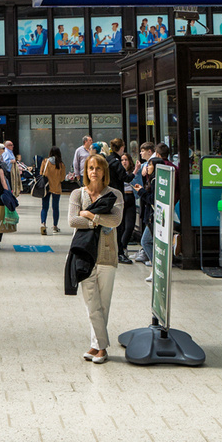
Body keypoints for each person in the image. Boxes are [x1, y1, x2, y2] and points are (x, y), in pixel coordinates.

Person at [68, 154, 124, 365]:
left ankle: (96, 345)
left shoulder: (115, 194)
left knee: (103, 304)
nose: (94, 172)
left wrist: (91, 216)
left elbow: (116, 220)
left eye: (98, 168)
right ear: (86, 171)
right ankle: (102, 347)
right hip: (84, 254)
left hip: (107, 254)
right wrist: (98, 223)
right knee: (92, 304)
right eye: (90, 168)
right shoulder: (77, 194)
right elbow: (73, 220)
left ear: (104, 172)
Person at [39, 146, 66, 235]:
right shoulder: (61, 164)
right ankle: (55, 226)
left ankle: (43, 223)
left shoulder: (45, 161)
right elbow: (62, 178)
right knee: (55, 208)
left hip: (46, 187)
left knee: (44, 207)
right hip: (56, 188)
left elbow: (41, 173)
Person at [119, 152, 140, 262]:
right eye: (122, 160)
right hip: (121, 199)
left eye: (126, 159)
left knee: (129, 226)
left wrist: (136, 170)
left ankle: (122, 246)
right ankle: (122, 249)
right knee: (121, 226)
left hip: (131, 198)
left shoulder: (134, 172)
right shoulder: (119, 172)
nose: (124, 162)